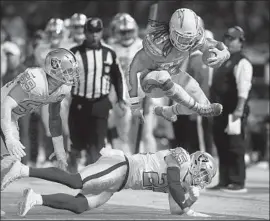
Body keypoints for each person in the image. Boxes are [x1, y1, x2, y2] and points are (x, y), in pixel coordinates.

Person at [1, 147, 216, 218]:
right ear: (197, 163)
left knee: (79, 206)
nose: (203, 180)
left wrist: (189, 200)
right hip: (121, 166)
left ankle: (35, 198)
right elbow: (172, 179)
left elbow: (174, 210)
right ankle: (22, 169)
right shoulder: (181, 157)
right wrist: (188, 205)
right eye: (204, 174)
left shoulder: (182, 184)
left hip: (119, 184)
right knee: (76, 181)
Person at [127, 8, 230, 123]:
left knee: (200, 98)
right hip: (151, 83)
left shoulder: (194, 39)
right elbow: (132, 71)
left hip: (173, 73)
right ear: (172, 31)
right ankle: (199, 108)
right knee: (163, 76)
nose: (186, 43)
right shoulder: (157, 44)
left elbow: (217, 44)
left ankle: (168, 111)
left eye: (189, 39)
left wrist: (224, 54)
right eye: (182, 38)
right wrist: (134, 106)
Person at [68, 17, 126, 170]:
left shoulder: (109, 53)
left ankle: (92, 175)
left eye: (97, 32)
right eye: (91, 32)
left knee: (97, 145)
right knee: (77, 144)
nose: (94, 35)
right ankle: (71, 177)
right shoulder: (74, 54)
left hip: (100, 103)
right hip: (79, 103)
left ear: (102, 32)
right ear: (85, 32)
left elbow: (117, 77)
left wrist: (121, 99)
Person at [209, 26, 253, 192]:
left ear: (241, 41)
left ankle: (237, 181)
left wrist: (239, 109)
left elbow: (244, 87)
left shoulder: (242, 61)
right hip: (221, 111)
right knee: (221, 143)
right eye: (227, 37)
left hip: (234, 109)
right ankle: (224, 179)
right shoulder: (224, 59)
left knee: (235, 145)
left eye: (232, 38)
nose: (228, 41)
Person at [107, 13, 157, 154]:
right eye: (122, 32)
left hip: (143, 96)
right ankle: (128, 166)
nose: (126, 35)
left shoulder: (144, 46)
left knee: (146, 134)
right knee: (124, 135)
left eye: (129, 31)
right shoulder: (109, 49)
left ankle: (151, 164)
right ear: (115, 31)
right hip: (122, 98)